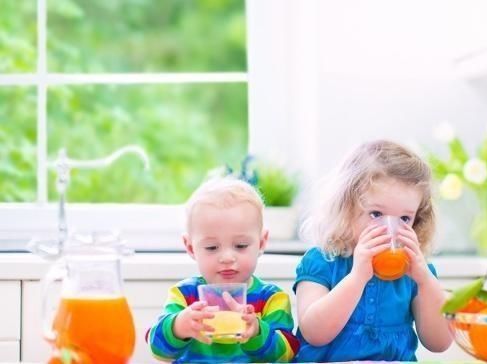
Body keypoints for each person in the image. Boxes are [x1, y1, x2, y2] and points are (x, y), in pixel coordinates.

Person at [294, 140, 452, 362]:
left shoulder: (417, 273)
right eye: (376, 214)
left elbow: (439, 342)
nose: (391, 230)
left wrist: (425, 281)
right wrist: (358, 277)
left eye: (405, 218)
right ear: (346, 209)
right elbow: (314, 333)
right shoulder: (322, 261)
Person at [148, 178, 299, 363]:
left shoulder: (271, 298)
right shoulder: (184, 295)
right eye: (212, 247)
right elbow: (157, 351)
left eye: (241, 245)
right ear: (190, 247)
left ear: (261, 243)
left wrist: (257, 332)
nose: (227, 257)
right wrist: (178, 326)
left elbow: (287, 353)